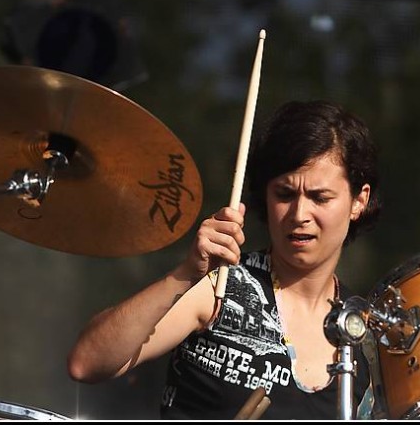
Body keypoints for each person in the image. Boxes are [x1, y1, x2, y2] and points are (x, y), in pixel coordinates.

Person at [67, 100, 382, 420]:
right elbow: (87, 361)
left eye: (319, 197)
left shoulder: (366, 331)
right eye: (284, 195)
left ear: (359, 200)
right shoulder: (221, 284)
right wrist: (187, 273)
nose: (299, 215)